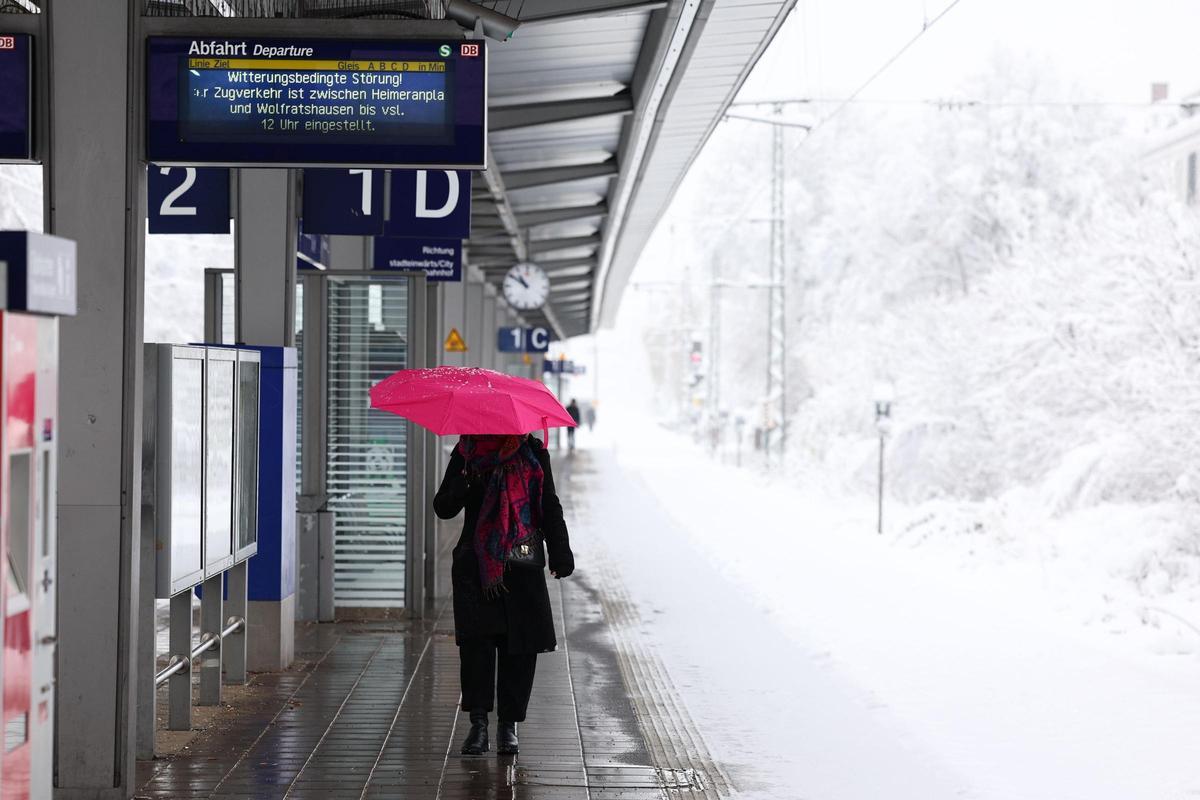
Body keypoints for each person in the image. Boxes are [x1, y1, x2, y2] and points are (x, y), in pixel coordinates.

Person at [433, 433, 575, 757]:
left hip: (521, 565)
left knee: (520, 649)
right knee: (476, 647)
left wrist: (560, 552)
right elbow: (443, 507)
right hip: (478, 567)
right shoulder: (467, 452)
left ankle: (508, 725)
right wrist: (464, 482)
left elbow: (548, 504)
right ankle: (478, 724)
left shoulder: (533, 453)